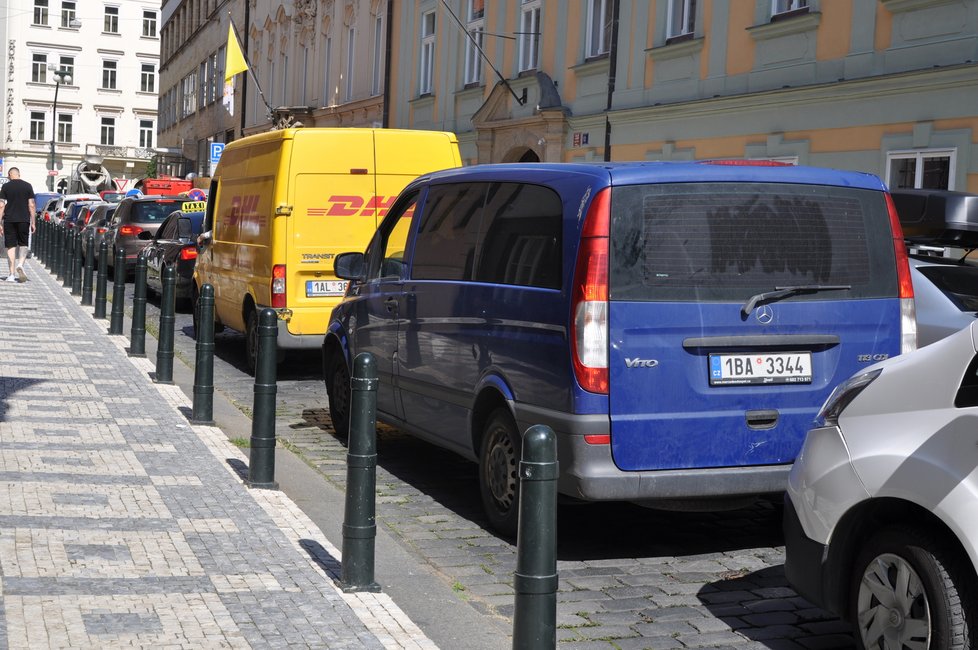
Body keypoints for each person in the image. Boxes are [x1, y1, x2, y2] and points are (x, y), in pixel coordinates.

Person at [0, 167, 36, 282]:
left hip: (9, 220)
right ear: (19, 174)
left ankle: (11, 274)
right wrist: (33, 222)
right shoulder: (28, 186)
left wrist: (0, 222)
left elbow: (1, 205)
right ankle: (20, 264)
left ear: (10, 174)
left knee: (11, 246)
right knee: (23, 244)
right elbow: (31, 205)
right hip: (24, 220)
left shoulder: (5, 187)